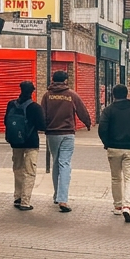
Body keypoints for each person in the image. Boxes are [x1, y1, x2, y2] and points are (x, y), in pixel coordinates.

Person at [98, 83, 130, 222]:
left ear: (113, 95)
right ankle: (127, 205)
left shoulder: (108, 111)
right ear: (127, 95)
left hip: (113, 148)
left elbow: (102, 129)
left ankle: (117, 207)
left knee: (116, 178)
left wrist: (107, 143)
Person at [41, 70, 91, 212]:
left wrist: (43, 128)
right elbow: (82, 110)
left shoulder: (47, 95)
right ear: (65, 81)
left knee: (56, 163)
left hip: (52, 134)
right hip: (68, 133)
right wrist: (87, 123)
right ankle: (63, 199)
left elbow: (42, 113)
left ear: (52, 79)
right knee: (65, 164)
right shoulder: (71, 95)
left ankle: (57, 195)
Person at [4, 81, 45, 211]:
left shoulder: (11, 104)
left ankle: (17, 197)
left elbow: (6, 121)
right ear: (32, 91)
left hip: (15, 142)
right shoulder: (35, 107)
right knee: (29, 172)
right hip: (31, 143)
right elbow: (42, 126)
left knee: (18, 169)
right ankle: (25, 202)